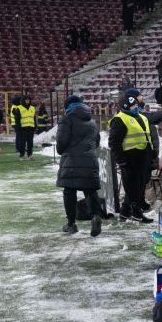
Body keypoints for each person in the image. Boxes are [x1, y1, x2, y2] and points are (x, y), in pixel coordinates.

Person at [56, 95, 102, 237]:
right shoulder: (92, 121)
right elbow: (97, 142)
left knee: (69, 191)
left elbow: (61, 144)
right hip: (90, 160)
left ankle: (71, 224)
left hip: (71, 161)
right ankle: (95, 216)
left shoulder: (66, 119)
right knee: (90, 190)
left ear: (68, 107)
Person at [107, 88, 153, 223]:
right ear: (126, 106)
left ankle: (125, 212)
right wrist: (120, 160)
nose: (136, 108)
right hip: (129, 160)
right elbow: (114, 143)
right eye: (133, 106)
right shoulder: (120, 119)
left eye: (136, 105)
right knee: (133, 189)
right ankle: (136, 213)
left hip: (142, 158)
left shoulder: (141, 117)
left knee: (138, 187)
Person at [10, 95, 36, 159]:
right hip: (23, 128)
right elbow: (17, 119)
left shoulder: (32, 108)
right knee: (22, 142)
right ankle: (22, 154)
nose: (27, 101)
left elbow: (34, 118)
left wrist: (35, 126)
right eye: (26, 99)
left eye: (28, 99)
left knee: (30, 143)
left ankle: (30, 154)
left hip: (31, 128)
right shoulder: (19, 108)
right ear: (23, 100)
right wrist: (18, 127)